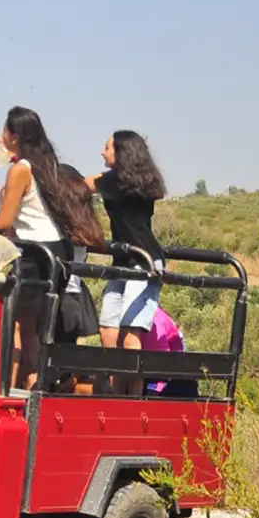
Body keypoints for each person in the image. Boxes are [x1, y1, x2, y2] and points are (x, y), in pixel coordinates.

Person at [0, 107, 105, 389]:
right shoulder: (46, 166)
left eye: (5, 131)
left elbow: (3, 221)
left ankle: (4, 389)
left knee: (13, 328)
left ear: (14, 136)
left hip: (34, 253)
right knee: (31, 328)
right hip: (55, 252)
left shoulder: (20, 170)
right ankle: (31, 388)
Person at [86, 130, 169, 391]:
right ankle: (115, 395)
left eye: (107, 147)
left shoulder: (115, 181)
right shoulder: (140, 180)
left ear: (121, 152)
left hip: (143, 263)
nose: (103, 151)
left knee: (131, 335)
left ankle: (131, 401)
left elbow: (79, 186)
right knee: (108, 328)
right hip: (123, 261)